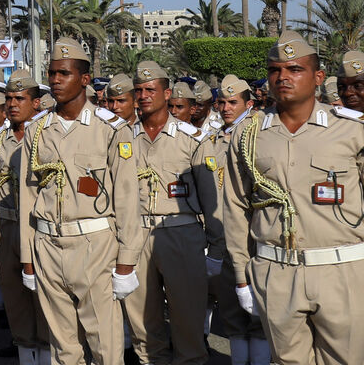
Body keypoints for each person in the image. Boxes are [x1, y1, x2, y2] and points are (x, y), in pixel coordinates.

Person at [224, 31, 364, 365]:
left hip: (343, 269)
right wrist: (243, 277)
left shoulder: (352, 130)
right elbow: (235, 207)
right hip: (276, 271)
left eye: (294, 69)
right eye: (275, 70)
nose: (283, 77)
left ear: (317, 77)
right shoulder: (248, 133)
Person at [19, 38, 141, 365]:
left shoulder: (110, 129)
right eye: (52, 73)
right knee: (62, 347)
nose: (55, 80)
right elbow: (28, 196)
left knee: (105, 343)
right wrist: (27, 255)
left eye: (64, 74)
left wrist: (127, 260)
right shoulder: (38, 130)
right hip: (47, 243)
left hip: (94, 244)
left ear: (84, 80)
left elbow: (128, 198)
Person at [123, 63, 213, 365]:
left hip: (181, 232)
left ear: (166, 92)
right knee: (143, 325)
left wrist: (216, 247)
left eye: (150, 89)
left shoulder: (193, 139)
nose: (144, 95)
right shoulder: (123, 137)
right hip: (135, 235)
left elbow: (211, 201)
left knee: (187, 321)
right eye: (139, 90)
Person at [205, 75, 269, 365]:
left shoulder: (258, 134)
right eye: (222, 102)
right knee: (231, 312)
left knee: (258, 317)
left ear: (249, 103)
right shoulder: (215, 138)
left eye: (233, 102)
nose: (226, 108)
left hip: (252, 236)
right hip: (222, 236)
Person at [0, 70, 51, 365]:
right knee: (15, 298)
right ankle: (24, 353)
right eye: (9, 99)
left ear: (37, 103)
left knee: (43, 299)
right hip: (6, 225)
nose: (13, 104)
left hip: (37, 227)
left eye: (20, 98)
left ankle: (45, 354)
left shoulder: (46, 136)